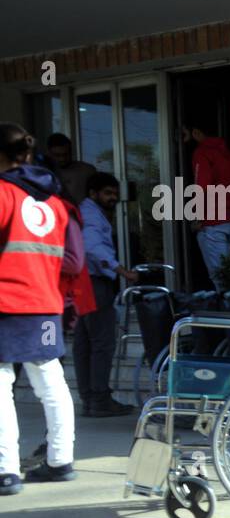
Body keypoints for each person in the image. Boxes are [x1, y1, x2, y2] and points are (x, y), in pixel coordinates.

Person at [0, 123, 80, 495]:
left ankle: (6, 470)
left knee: (1, 385)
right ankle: (60, 460)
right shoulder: (55, 203)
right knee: (51, 382)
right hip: (45, 302)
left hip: (5, 303)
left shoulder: (2, 193)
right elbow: (69, 261)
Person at [75, 172, 136, 417]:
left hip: (82, 283)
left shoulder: (87, 212)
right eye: (107, 193)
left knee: (84, 343)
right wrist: (122, 270)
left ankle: (90, 398)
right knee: (101, 343)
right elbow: (92, 247)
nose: (113, 198)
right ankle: (98, 398)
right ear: (93, 193)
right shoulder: (90, 214)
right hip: (93, 283)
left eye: (115, 194)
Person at [183, 120, 230, 290]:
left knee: (220, 278)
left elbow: (201, 186)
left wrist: (198, 217)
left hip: (213, 222)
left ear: (196, 132)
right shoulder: (229, 154)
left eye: (184, 134)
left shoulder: (202, 153)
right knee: (226, 273)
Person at [44, 133, 96, 206]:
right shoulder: (43, 173)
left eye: (66, 154)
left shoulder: (87, 171)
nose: (62, 159)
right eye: (57, 155)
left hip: (82, 215)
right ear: (49, 153)